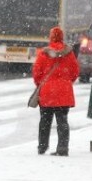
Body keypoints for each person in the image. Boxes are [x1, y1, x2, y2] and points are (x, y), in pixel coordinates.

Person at [32, 26, 79, 156]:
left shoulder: (44, 53)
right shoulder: (69, 53)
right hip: (64, 92)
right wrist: (66, 82)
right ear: (62, 37)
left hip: (47, 92)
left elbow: (37, 72)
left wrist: (41, 84)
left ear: (51, 37)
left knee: (45, 120)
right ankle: (63, 148)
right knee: (62, 121)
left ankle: (42, 146)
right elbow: (75, 71)